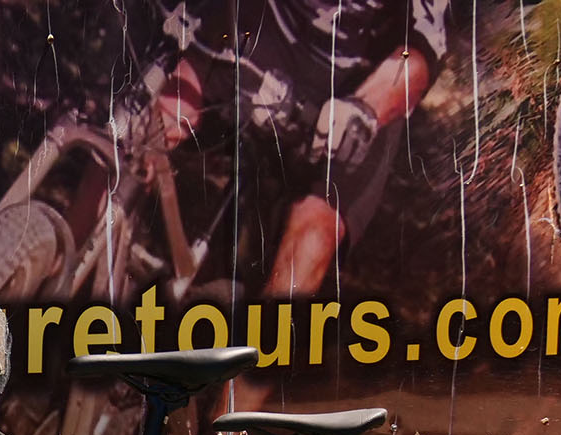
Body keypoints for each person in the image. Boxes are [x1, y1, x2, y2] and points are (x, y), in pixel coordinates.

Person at [157, 0, 450, 297]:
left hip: (359, 81)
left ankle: (269, 334)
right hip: (263, 31)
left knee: (315, 233)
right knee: (154, 118)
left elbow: (421, 54)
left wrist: (366, 109)